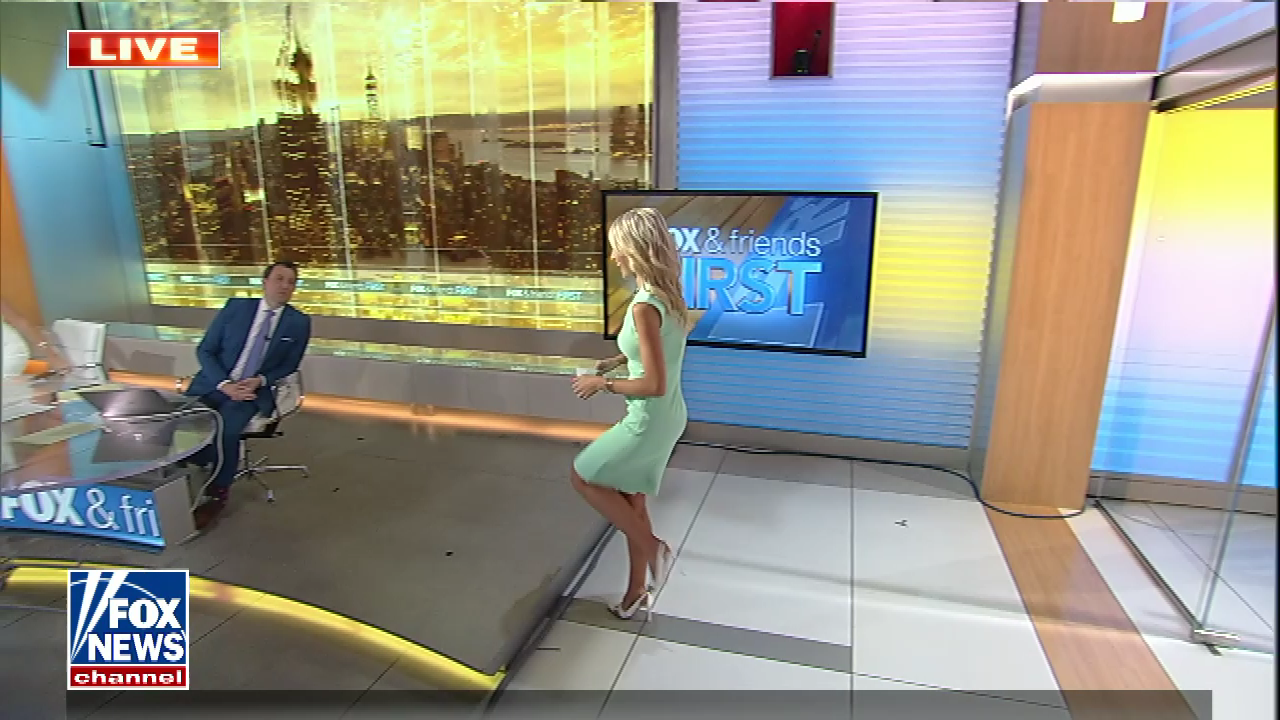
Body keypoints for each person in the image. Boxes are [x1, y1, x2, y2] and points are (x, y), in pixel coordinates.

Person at [570, 207, 689, 620]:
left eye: (617, 249)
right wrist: (617, 361)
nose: (614, 257)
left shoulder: (643, 306)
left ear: (635, 249)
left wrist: (600, 384)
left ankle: (656, 550)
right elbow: (659, 350)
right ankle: (636, 592)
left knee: (583, 475)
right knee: (631, 502)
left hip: (649, 418)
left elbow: (653, 383)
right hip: (670, 414)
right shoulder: (668, 297)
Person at [184, 261, 311, 530]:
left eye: (291, 282)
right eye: (279, 279)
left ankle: (217, 494)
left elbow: (290, 364)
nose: (285, 286)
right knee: (185, 422)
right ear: (264, 282)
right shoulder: (236, 308)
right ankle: (195, 466)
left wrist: (260, 380)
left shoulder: (298, 322)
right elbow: (205, 350)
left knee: (226, 430)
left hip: (253, 392)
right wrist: (224, 384)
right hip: (214, 384)